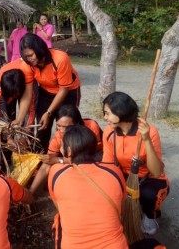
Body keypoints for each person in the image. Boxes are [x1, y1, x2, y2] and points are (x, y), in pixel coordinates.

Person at [48, 125, 165, 249]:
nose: (60, 148)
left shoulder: (57, 173)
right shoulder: (113, 171)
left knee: (60, 219)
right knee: (153, 244)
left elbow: (59, 207)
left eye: (61, 145)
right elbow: (120, 206)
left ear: (69, 151)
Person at [102, 92, 170, 236]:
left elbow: (157, 171)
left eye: (107, 113)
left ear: (121, 112)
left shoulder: (149, 131)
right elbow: (107, 165)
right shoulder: (109, 132)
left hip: (148, 177)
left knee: (148, 195)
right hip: (124, 175)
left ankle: (149, 216)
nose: (105, 118)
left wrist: (146, 139)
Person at [20, 33, 81, 153]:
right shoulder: (27, 66)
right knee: (42, 127)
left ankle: (69, 155)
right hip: (46, 92)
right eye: (26, 57)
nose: (29, 59)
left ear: (39, 48)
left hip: (68, 92)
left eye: (31, 55)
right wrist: (20, 118)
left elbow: (63, 90)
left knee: (67, 125)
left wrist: (48, 113)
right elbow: (27, 94)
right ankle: (40, 158)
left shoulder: (60, 58)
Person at [29, 105, 102, 195]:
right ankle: (32, 193)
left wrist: (60, 160)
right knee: (49, 163)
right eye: (58, 126)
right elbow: (48, 162)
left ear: (77, 123)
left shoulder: (91, 126)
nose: (62, 130)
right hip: (75, 160)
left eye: (67, 127)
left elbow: (90, 155)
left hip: (94, 159)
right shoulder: (58, 137)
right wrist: (30, 193)